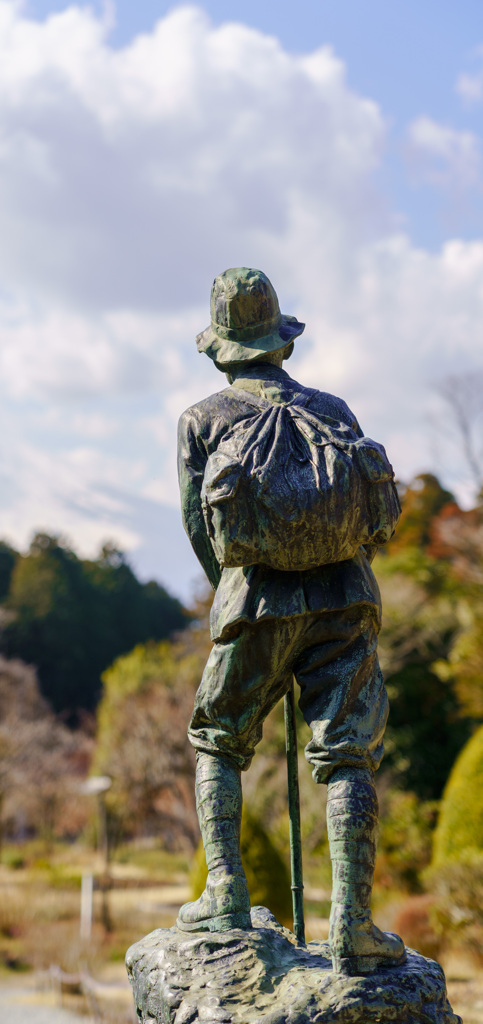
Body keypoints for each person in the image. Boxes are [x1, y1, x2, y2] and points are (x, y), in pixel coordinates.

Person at [176, 267, 405, 977]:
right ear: (279, 341)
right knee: (346, 754)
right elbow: (367, 519)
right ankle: (352, 923)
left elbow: (198, 529)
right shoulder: (333, 411)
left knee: (218, 739)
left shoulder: (204, 419)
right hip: (345, 596)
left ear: (222, 345)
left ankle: (225, 891)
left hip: (255, 601)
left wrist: (236, 592)